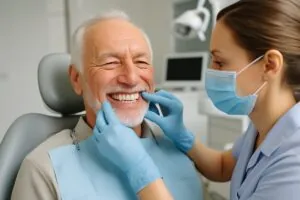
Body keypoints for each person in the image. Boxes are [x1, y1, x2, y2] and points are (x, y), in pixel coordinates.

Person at [95, 0, 300, 200]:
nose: (211, 71)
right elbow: (222, 167)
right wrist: (183, 135)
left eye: (220, 62)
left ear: (270, 65)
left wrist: (139, 168)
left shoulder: (294, 163)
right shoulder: (263, 126)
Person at [11, 11, 203, 200]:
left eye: (141, 62)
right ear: (77, 79)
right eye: (110, 63)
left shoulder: (178, 146)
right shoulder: (44, 169)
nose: (131, 78)